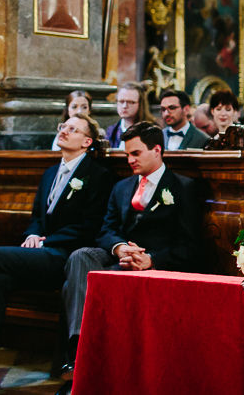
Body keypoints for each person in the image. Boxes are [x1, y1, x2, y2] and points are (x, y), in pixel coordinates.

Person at [0, 115, 113, 395]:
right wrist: (33, 234)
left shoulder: (98, 175)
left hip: (65, 257)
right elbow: (37, 217)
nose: (64, 130)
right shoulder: (50, 173)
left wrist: (48, 240)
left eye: (72, 129)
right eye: (63, 126)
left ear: (87, 141)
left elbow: (90, 227)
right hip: (42, 253)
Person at [61, 122, 200, 391]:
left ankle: (81, 365)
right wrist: (119, 247)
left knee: (77, 286)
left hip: (151, 265)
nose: (130, 160)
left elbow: (189, 245)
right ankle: (78, 348)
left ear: (157, 150)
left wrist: (152, 260)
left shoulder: (183, 187)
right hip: (119, 255)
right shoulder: (121, 187)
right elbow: (106, 229)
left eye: (135, 153)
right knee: (80, 257)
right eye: (127, 154)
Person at [106, 82, 154, 149]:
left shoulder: (151, 131)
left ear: (140, 104)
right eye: (121, 101)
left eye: (131, 102)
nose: (124, 106)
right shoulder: (111, 131)